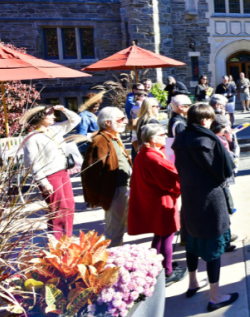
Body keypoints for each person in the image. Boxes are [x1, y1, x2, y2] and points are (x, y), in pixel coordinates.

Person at [172, 104, 239, 310]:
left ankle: (192, 283)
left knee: (191, 242)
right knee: (213, 249)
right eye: (210, 120)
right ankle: (215, 296)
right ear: (204, 121)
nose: (212, 123)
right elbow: (223, 172)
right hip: (210, 199)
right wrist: (226, 142)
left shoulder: (180, 138)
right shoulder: (208, 140)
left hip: (189, 198)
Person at [127, 124, 186, 285]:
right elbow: (170, 181)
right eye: (162, 134)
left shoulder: (145, 153)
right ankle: (167, 272)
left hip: (155, 200)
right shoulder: (153, 157)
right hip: (161, 201)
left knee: (159, 236)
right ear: (153, 139)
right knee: (167, 235)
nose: (165, 136)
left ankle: (157, 267)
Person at [22, 105, 81, 240]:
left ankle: (67, 238)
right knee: (58, 209)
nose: (54, 117)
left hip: (63, 172)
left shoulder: (54, 129)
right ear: (40, 117)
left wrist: (64, 109)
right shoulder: (32, 138)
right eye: (50, 114)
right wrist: (43, 182)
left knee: (69, 205)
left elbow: (76, 120)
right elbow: (31, 163)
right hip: (49, 177)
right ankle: (57, 242)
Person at [82, 107, 132, 247]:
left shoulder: (113, 137)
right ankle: (110, 263)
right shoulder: (100, 140)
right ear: (108, 123)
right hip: (114, 190)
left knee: (120, 227)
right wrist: (93, 198)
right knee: (114, 231)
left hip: (122, 188)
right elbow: (90, 173)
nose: (125, 122)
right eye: (121, 119)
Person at [167, 94, 191, 161]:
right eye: (189, 105)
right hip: (180, 159)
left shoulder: (175, 119)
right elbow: (182, 145)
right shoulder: (179, 123)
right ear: (180, 107)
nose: (190, 108)